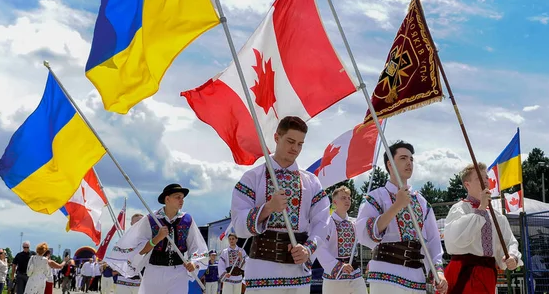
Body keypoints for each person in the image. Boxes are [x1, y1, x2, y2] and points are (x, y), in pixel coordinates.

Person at [230, 116, 331, 293]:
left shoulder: (311, 182)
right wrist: (268, 208)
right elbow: (238, 224)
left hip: (297, 273)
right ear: (277, 138)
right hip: (262, 270)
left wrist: (308, 249)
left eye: (300, 144)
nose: (295, 148)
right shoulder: (252, 177)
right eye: (290, 141)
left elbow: (322, 222)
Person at [357, 141, 447, 294]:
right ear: (390, 164)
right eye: (403, 158)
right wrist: (397, 206)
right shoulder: (375, 197)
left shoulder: (422, 202)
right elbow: (365, 234)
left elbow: (433, 241)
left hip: (416, 278)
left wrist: (438, 271)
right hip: (386, 276)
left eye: (411, 159)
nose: (409, 163)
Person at [105, 185, 208, 294]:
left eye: (182, 198)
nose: (181, 200)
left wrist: (192, 262)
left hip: (179, 272)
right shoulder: (151, 219)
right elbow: (140, 249)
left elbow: (196, 245)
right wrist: (157, 238)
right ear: (167, 199)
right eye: (178, 197)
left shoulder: (187, 220)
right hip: (154, 271)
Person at [444, 163, 522, 294]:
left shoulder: (497, 216)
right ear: (467, 184)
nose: (485, 181)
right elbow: (456, 239)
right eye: (479, 178)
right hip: (463, 271)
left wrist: (512, 257)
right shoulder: (459, 209)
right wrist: (480, 209)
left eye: (486, 177)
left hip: (488, 274)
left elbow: (510, 241)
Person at [316, 186, 366, 294]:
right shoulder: (327, 223)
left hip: (355, 275)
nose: (347, 200)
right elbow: (320, 248)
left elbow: (367, 239)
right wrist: (338, 266)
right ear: (334, 202)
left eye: (349, 198)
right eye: (343, 198)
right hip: (335, 278)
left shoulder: (355, 223)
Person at [112, 214, 144, 294]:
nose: (139, 223)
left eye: (141, 221)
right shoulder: (124, 239)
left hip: (141, 280)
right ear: (131, 223)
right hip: (124, 280)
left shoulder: (148, 238)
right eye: (137, 221)